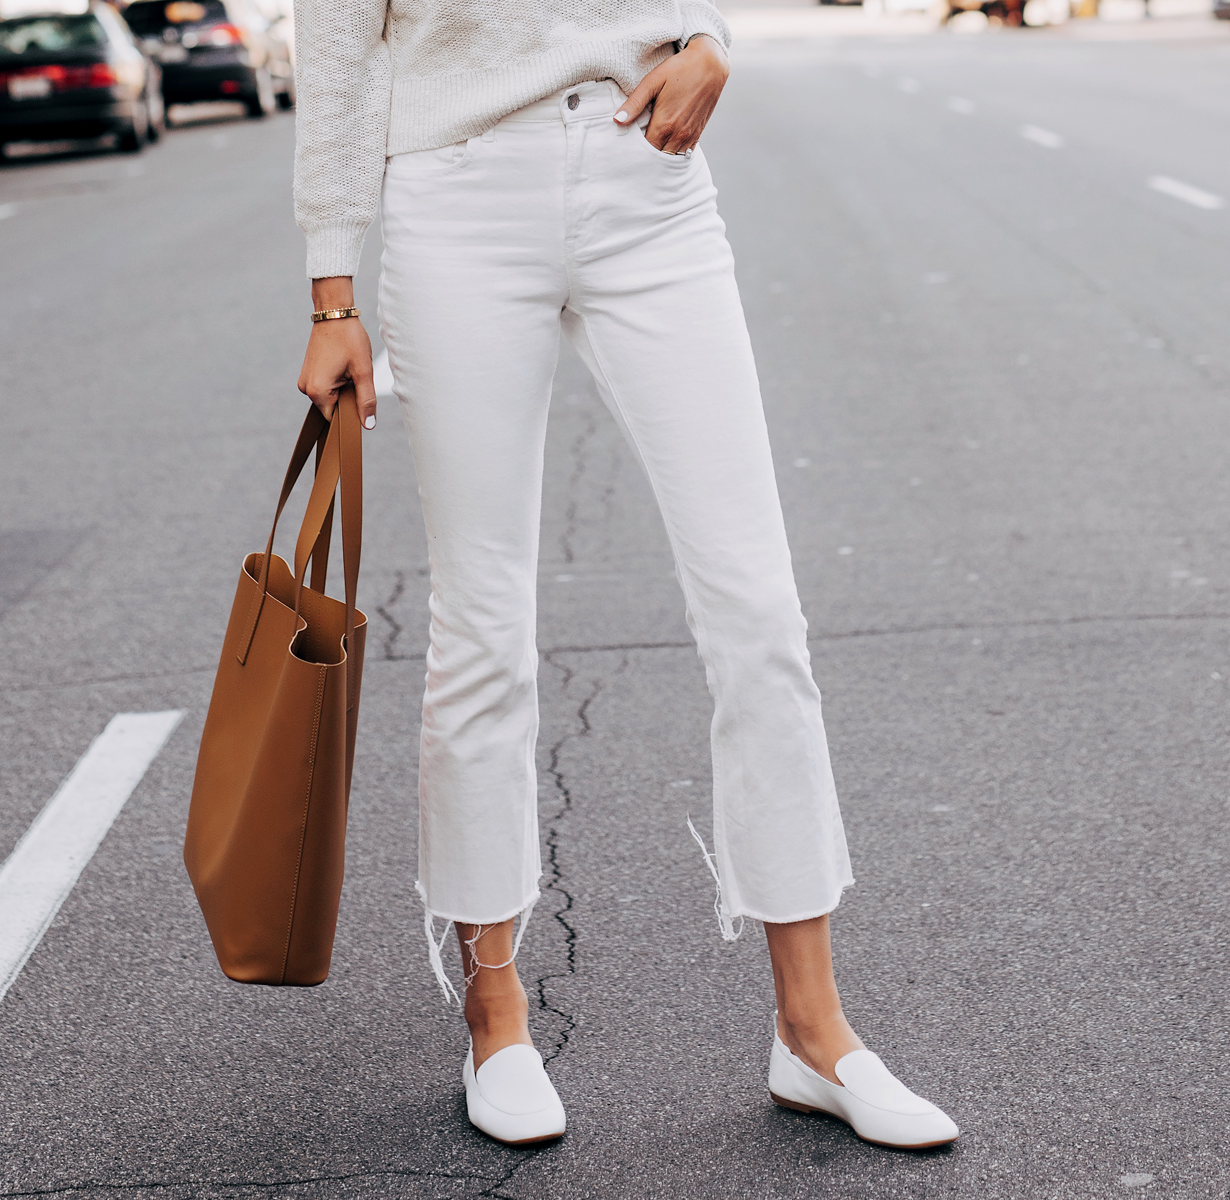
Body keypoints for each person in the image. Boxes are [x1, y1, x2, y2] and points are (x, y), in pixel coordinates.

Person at [291, 0, 960, 1151]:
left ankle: (815, 1032)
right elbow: (341, 51)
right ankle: (497, 1020)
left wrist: (710, 40)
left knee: (758, 611)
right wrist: (333, 292)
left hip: (647, 182)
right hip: (460, 199)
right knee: (483, 625)